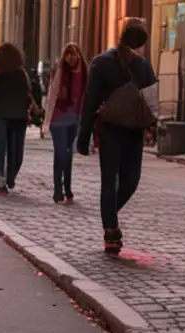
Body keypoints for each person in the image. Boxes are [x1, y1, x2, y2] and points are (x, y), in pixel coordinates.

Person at [77, 17, 157, 252]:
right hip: (112, 128)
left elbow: (151, 99)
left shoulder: (143, 66)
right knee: (112, 180)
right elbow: (91, 99)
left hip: (130, 130)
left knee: (128, 180)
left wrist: (152, 125)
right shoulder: (102, 63)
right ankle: (110, 229)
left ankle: (108, 215)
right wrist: (84, 134)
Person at [0, 42, 33, 194]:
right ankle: (11, 175)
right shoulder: (21, 74)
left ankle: (1, 180)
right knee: (16, 149)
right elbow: (28, 96)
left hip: (1, 116)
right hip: (19, 117)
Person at [46, 43, 85, 201]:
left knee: (68, 155)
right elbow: (52, 93)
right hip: (58, 119)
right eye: (68, 54)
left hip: (74, 119)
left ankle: (67, 188)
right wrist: (47, 118)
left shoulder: (84, 73)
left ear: (78, 55)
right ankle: (57, 189)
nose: (71, 57)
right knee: (61, 153)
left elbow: (85, 94)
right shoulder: (59, 71)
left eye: (74, 54)